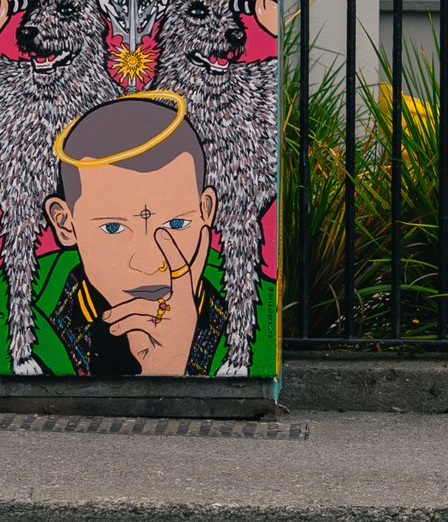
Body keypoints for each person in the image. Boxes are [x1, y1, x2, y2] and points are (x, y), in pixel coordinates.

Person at [22, 91, 267, 376]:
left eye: (176, 224)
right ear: (64, 223)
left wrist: (170, 363)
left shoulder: (248, 305)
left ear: (206, 211)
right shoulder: (28, 311)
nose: (151, 261)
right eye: (113, 227)